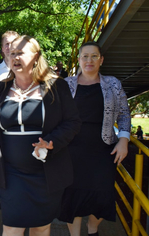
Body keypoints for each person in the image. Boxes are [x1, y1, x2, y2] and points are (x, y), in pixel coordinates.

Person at [0, 35, 81, 236]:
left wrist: (51, 142)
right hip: (12, 174)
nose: (15, 57)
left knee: (41, 227)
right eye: (12, 53)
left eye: (20, 53)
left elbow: (72, 122)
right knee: (11, 227)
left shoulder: (57, 86)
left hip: (46, 173)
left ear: (36, 56)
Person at [59, 41, 131, 236]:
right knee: (72, 195)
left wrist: (124, 139)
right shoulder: (66, 84)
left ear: (101, 60)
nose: (89, 60)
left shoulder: (113, 83)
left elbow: (124, 113)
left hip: (102, 148)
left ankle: (93, 230)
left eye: (94, 56)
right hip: (71, 150)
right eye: (85, 56)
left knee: (101, 193)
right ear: (79, 60)